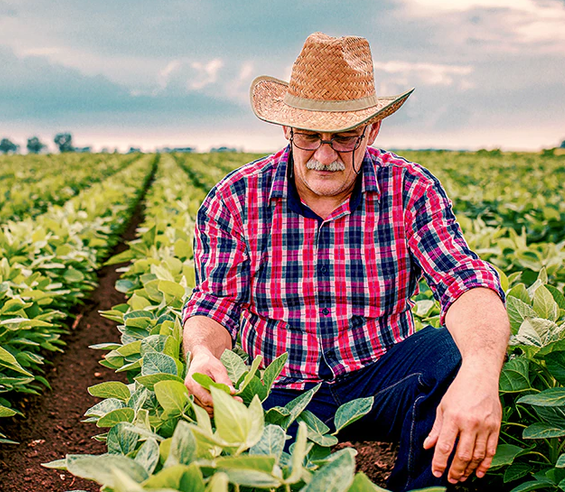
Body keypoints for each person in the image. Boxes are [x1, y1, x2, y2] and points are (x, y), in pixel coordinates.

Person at [181, 33, 510, 491]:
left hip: (380, 374)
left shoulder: (409, 188)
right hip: (282, 386)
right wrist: (201, 353)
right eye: (309, 136)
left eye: (343, 138)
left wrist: (479, 372)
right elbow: (215, 303)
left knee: (451, 356)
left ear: (372, 131)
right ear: (286, 130)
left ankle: (423, 485)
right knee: (257, 460)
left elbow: (464, 281)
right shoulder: (236, 198)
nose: (324, 155)